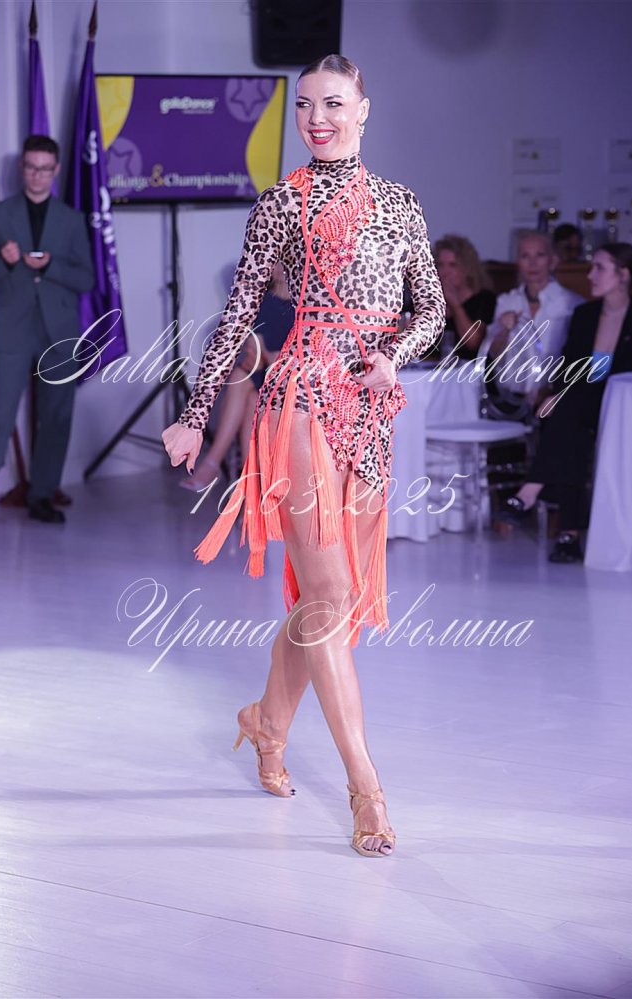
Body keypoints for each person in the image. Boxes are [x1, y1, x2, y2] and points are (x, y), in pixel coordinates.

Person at [162, 55, 445, 857]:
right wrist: (194, 414)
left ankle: (265, 721)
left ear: (364, 109)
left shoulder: (402, 204)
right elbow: (236, 316)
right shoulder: (281, 203)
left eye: (334, 103)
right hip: (299, 402)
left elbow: (430, 310)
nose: (318, 118)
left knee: (330, 599)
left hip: (369, 413)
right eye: (306, 105)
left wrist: (395, 355)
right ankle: (366, 788)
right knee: (327, 592)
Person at [499, 243, 632, 562]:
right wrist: (556, 394)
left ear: (623, 274)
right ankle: (568, 534)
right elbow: (570, 368)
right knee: (569, 424)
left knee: (568, 414)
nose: (590, 275)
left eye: (599, 268)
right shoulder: (585, 316)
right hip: (581, 408)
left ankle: (531, 492)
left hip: (622, 411)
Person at [0, 135, 94, 523]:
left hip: (59, 330)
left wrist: (49, 266)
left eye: (45, 169)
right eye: (31, 168)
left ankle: (42, 494)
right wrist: (5, 262)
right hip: (11, 328)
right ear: (22, 168)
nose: (37, 175)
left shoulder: (71, 219)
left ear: (56, 170)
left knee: (56, 417)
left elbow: (86, 279)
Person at [180, 263, 294, 491]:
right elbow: (254, 353)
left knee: (249, 392)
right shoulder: (260, 302)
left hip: (288, 379)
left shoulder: (302, 304)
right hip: (262, 374)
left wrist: (272, 358)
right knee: (241, 379)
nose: (279, 267)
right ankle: (248, 481)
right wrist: (261, 353)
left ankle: (220, 466)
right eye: (275, 261)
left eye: (285, 260)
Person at [479, 230, 584, 416]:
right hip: (510, 399)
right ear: (518, 262)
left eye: (540, 255)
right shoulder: (506, 301)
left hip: (552, 399)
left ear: (552, 260)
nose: (532, 263)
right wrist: (503, 329)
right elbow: (494, 354)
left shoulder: (571, 303)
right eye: (525, 256)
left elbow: (578, 358)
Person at [432, 234, 495, 360]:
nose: (445, 272)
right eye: (440, 265)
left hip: (471, 369)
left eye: (453, 265)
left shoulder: (484, 299)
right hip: (431, 369)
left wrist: (455, 305)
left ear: (467, 268)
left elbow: (473, 343)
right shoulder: (428, 299)